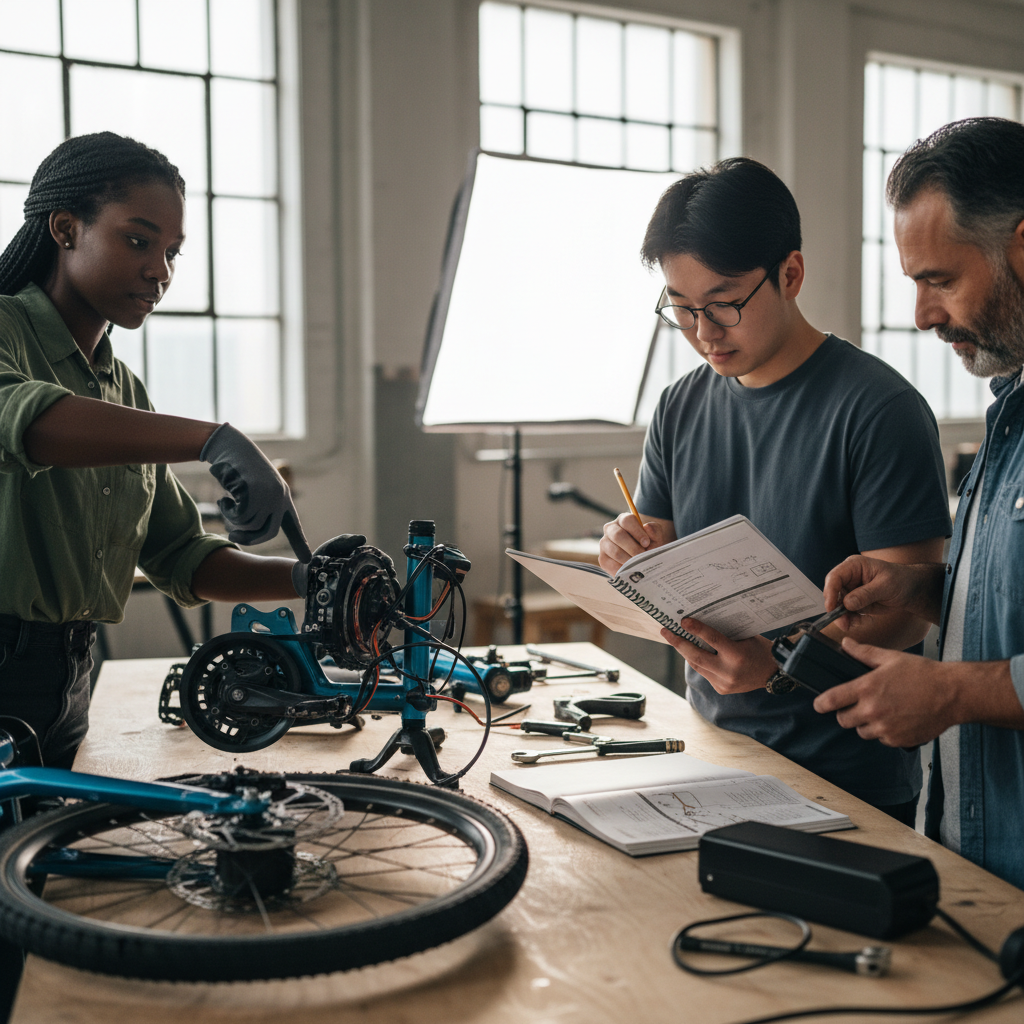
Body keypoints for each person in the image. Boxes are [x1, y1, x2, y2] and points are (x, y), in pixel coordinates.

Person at [599, 157, 951, 823]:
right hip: (707, 751)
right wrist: (630, 555)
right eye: (680, 307)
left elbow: (909, 611)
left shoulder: (880, 410)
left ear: (790, 274)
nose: (704, 332)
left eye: (725, 303)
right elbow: (665, 567)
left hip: (848, 775)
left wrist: (780, 666)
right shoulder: (679, 406)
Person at [0, 132, 355, 771]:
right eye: (138, 241)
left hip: (70, 675)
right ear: (64, 228)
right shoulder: (5, 330)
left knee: (39, 860)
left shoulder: (120, 390)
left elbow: (180, 556)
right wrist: (212, 440)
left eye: (172, 251)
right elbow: (25, 421)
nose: (160, 271)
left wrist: (310, 579)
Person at [818, 118, 1024, 889]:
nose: (923, 315)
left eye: (938, 279)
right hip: (975, 866)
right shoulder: (1010, 409)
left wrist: (949, 691)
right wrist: (926, 591)